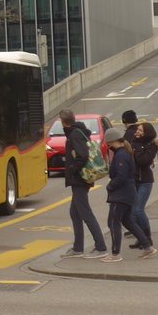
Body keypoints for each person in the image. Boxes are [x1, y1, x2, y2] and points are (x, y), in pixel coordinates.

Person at [58, 109, 108, 259]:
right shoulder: (79, 132)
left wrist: (72, 169)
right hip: (81, 179)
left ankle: (101, 247)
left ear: (63, 121)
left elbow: (83, 155)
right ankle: (78, 248)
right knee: (75, 213)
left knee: (86, 213)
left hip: (80, 179)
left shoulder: (74, 134)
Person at [102, 127, 154, 261]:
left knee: (113, 222)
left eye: (108, 143)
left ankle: (115, 254)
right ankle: (148, 246)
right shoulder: (126, 152)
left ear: (112, 141)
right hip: (128, 193)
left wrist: (110, 186)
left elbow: (121, 176)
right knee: (128, 221)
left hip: (120, 194)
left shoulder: (121, 155)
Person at [121, 111, 158, 250]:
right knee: (132, 211)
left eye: (140, 130)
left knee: (138, 210)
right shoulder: (134, 143)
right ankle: (140, 237)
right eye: (137, 129)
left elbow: (142, 160)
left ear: (146, 133)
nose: (136, 132)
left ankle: (147, 237)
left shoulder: (151, 145)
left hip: (145, 181)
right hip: (134, 180)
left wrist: (136, 147)